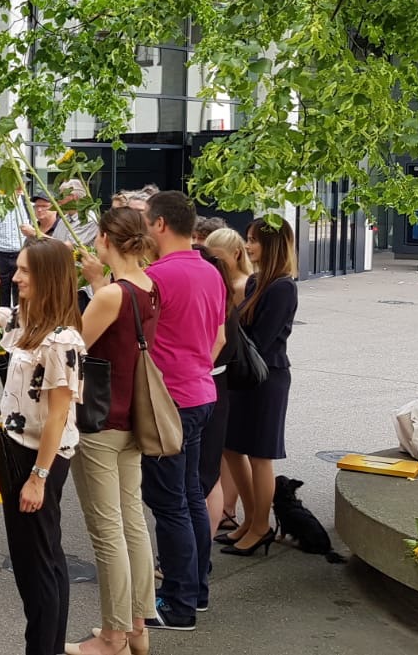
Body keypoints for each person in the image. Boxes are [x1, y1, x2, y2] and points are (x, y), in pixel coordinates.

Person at [0, 238, 85, 655]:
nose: (15, 277)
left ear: (48, 277)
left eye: (24, 270)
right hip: (18, 449)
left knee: (37, 566)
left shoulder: (63, 339)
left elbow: (58, 416)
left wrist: (39, 477)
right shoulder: (27, 319)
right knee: (41, 559)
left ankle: (43, 647)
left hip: (38, 458)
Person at [67, 208, 157, 655]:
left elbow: (72, 349)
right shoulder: (148, 286)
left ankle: (113, 635)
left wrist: (94, 286)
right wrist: (99, 283)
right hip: (132, 418)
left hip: (100, 420)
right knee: (131, 523)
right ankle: (137, 626)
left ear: (104, 239)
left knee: (107, 532)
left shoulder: (111, 295)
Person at [137, 191, 226, 631]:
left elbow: (134, 336)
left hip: (169, 401)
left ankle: (178, 603)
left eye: (146, 221)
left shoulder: (156, 277)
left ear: (159, 224)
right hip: (200, 393)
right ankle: (196, 590)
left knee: (170, 504)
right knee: (190, 495)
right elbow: (218, 335)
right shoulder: (210, 270)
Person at [218, 219, 299, 558]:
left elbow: (261, 340)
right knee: (231, 448)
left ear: (273, 245)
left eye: (254, 241)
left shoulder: (283, 287)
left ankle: (260, 526)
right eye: (248, 239)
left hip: (266, 378)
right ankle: (251, 520)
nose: (248, 246)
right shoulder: (257, 281)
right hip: (244, 375)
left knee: (259, 455)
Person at [203, 227, 254, 533]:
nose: (213, 264)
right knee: (223, 450)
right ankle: (229, 509)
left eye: (217, 258)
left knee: (228, 450)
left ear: (235, 254)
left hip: (229, 373)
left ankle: (233, 509)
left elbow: (224, 338)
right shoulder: (223, 284)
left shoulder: (240, 285)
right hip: (225, 373)